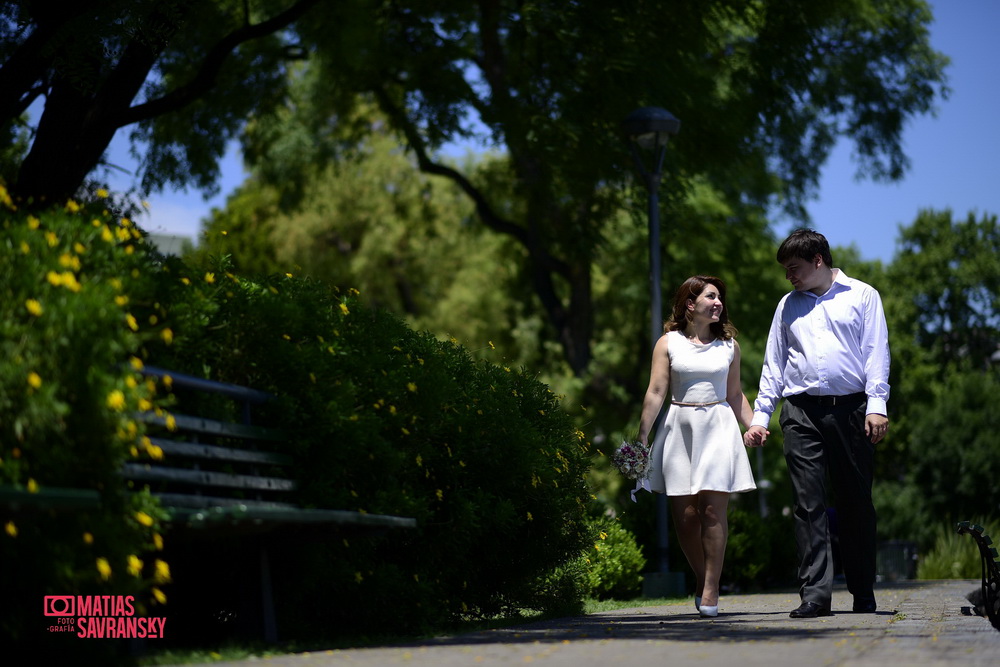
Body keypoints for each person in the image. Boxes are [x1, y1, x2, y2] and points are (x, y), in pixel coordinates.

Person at [745, 228, 890, 618]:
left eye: (794, 268)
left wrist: (877, 404)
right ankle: (815, 595)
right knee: (807, 503)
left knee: (855, 502)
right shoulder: (787, 305)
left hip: (853, 410)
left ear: (818, 261)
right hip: (800, 411)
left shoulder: (863, 296)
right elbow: (774, 364)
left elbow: (877, 352)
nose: (788, 276)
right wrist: (762, 416)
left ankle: (863, 592)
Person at [638, 275, 759, 618]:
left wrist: (754, 425)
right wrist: (643, 434)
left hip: (719, 428)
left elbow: (734, 394)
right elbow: (657, 391)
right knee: (687, 517)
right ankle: (703, 576)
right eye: (711, 296)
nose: (718, 302)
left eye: (720, 297)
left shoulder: (730, 347)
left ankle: (710, 588)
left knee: (711, 511)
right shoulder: (668, 343)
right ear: (690, 304)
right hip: (680, 428)